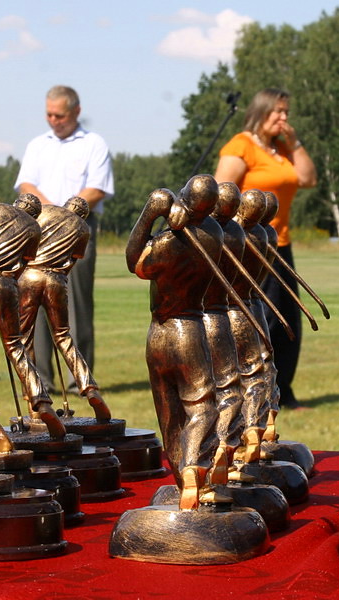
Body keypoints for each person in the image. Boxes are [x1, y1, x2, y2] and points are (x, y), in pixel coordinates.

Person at [125, 176, 230, 510]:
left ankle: (185, 473)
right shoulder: (215, 233)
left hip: (160, 333)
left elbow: (133, 261)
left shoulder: (169, 242)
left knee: (171, 414)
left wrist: (151, 212)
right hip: (189, 330)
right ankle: (192, 469)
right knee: (200, 405)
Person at [214, 87, 317, 410]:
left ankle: (283, 390)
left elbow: (308, 178)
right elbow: (220, 193)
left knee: (290, 319)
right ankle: (255, 390)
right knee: (262, 320)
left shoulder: (281, 150)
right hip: (250, 245)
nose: (284, 118)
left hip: (280, 244)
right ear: (262, 111)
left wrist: (295, 141)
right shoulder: (240, 146)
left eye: (287, 112)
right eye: (279, 112)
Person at [14, 85, 114, 395]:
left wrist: (65, 214)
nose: (53, 120)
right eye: (49, 114)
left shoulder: (94, 144)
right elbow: (25, 184)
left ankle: (78, 379)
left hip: (77, 230)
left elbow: (96, 189)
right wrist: (48, 210)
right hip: (40, 229)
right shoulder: (37, 145)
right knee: (37, 299)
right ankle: (42, 377)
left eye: (60, 115)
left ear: (76, 112)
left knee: (76, 303)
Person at [0, 193, 66, 441]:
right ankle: (41, 403)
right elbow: (23, 265)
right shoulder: (33, 227)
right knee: (16, 346)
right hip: (7, 283)